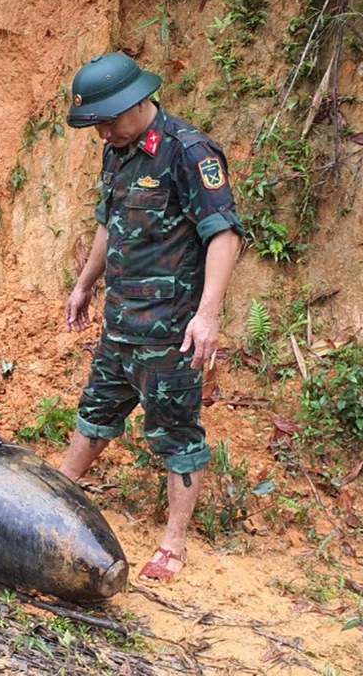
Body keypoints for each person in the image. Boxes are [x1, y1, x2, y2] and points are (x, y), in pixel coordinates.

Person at [60, 53, 244, 582]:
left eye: (109, 121)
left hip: (170, 333)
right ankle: (59, 491)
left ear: (138, 102)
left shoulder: (189, 152)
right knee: (95, 411)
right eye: (95, 124)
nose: (103, 133)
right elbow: (107, 225)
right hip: (119, 323)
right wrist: (83, 285)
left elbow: (223, 235)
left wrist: (207, 317)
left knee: (176, 434)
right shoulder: (116, 152)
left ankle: (173, 544)